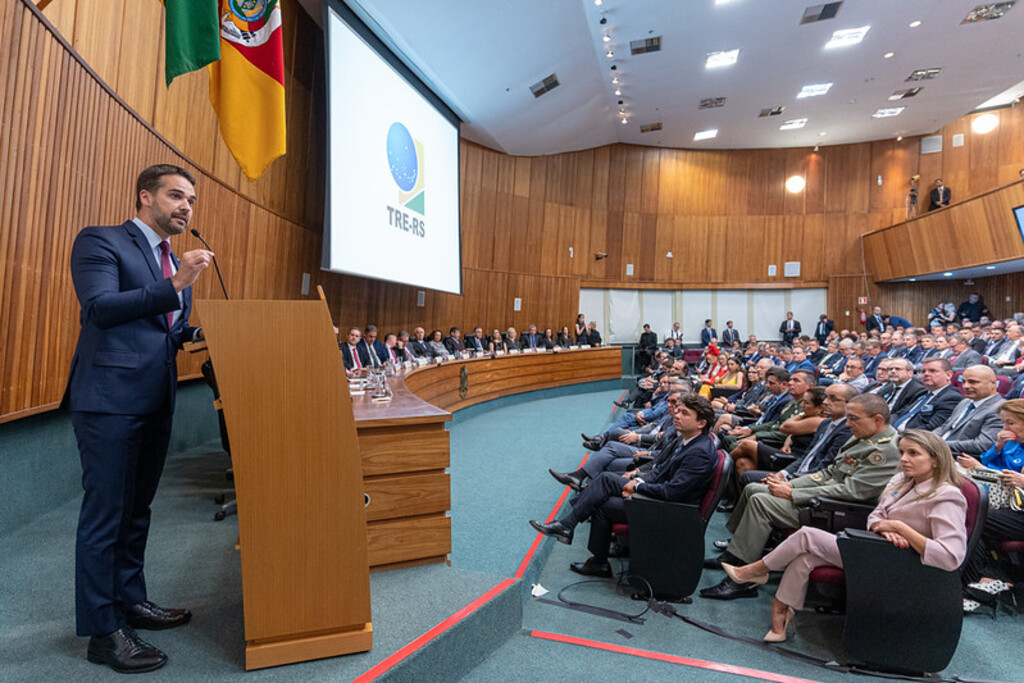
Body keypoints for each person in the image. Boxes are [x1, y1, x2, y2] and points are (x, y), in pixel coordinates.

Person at [63, 165, 213, 672]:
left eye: (191, 199)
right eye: (176, 196)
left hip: (154, 399)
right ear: (145, 196)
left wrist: (198, 334)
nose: (186, 207)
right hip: (108, 399)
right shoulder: (102, 241)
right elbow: (102, 308)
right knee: (106, 516)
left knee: (137, 511)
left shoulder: (174, 261)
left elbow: (163, 330)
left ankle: (130, 602)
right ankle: (104, 632)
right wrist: (177, 283)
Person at [722, 430, 966, 641]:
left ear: (936, 460)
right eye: (902, 452)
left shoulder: (946, 496)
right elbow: (876, 515)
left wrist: (901, 529)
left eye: (913, 454)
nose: (903, 459)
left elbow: (950, 556)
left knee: (807, 536)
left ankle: (755, 571)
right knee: (804, 558)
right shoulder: (902, 479)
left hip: (902, 563)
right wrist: (884, 526)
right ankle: (781, 613)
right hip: (876, 547)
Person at [702, 394, 901, 600]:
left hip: (840, 511)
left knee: (762, 502)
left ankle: (744, 579)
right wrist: (789, 485)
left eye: (854, 419)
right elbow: (828, 472)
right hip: (824, 497)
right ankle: (737, 552)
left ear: (877, 419)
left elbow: (852, 492)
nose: (848, 424)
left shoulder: (886, 450)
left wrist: (794, 493)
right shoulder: (863, 436)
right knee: (754, 488)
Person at [529, 395, 718, 577]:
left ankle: (579, 539)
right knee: (606, 483)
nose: (676, 415)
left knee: (604, 490)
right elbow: (659, 471)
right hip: (661, 500)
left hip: (670, 512)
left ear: (701, 423)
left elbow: (672, 492)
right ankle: (575, 534)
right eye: (679, 411)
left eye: (685, 413)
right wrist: (638, 480)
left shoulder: (699, 452)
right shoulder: (687, 440)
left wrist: (637, 488)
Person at [932, 364, 1004, 456]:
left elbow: (982, 445)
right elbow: (944, 427)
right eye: (963, 382)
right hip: (938, 451)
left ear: (993, 383)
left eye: (973, 382)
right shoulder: (965, 402)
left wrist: (939, 445)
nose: (965, 386)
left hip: (957, 457)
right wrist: (926, 439)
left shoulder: (999, 409)